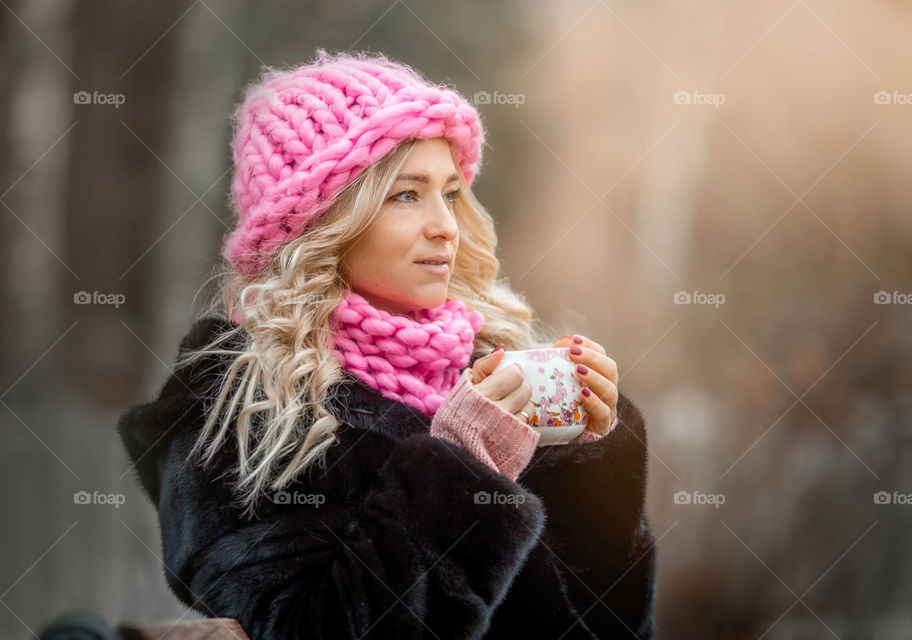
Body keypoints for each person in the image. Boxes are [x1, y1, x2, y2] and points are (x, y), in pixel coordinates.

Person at [116, 49, 657, 640]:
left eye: (450, 193)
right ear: (322, 220)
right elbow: (308, 629)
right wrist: (462, 467)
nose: (445, 226)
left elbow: (612, 627)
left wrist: (592, 468)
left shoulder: (490, 366)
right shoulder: (240, 404)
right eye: (406, 195)